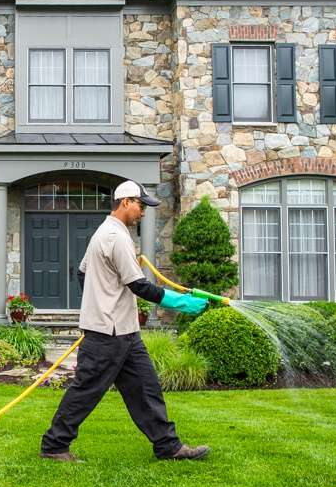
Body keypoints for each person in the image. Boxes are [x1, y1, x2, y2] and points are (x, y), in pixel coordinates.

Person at [40, 180, 211, 463]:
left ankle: (168, 446)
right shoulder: (115, 237)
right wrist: (183, 303)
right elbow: (140, 286)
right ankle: (54, 446)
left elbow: (83, 273)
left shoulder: (105, 232)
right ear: (126, 202)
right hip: (108, 334)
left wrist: (101, 298)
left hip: (124, 331)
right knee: (86, 391)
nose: (143, 212)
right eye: (141, 205)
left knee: (146, 388)